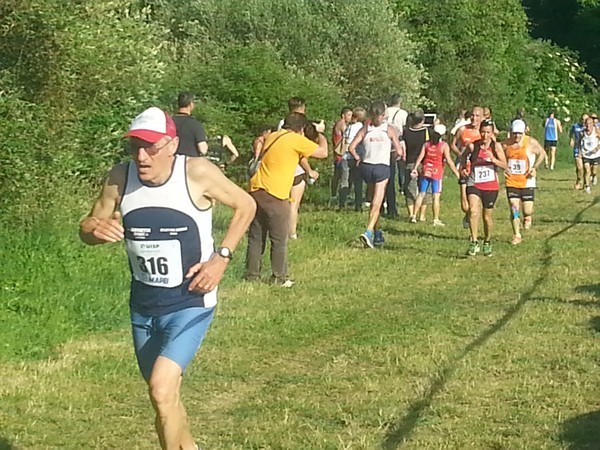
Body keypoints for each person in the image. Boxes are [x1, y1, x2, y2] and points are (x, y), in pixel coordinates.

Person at [79, 106, 256, 450]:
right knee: (164, 397)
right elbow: (87, 227)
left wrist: (221, 258)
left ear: (172, 145)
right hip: (144, 306)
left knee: (161, 389)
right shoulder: (119, 177)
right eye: (134, 147)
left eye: (151, 147)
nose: (142, 156)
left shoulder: (197, 172)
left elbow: (246, 204)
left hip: (191, 300)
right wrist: (93, 229)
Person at [245, 112, 327, 286]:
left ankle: (252, 274)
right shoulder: (295, 139)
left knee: (256, 236)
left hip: (255, 188)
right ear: (301, 129)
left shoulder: (273, 136)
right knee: (279, 238)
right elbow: (323, 152)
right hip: (275, 193)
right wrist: (320, 133)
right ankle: (279, 277)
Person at [348, 101, 403, 248]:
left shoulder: (365, 128)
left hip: (366, 166)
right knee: (377, 202)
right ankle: (368, 232)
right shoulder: (389, 129)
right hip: (382, 167)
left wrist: (358, 158)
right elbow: (399, 151)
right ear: (383, 115)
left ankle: (377, 234)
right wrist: (394, 157)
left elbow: (351, 147)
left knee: (373, 201)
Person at [461, 119, 507, 256]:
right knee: (474, 211)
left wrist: (493, 159)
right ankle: (474, 242)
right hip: (474, 183)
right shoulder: (473, 146)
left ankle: (487, 241)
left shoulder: (496, 147)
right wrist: (463, 168)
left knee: (487, 217)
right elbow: (463, 157)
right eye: (483, 132)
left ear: (492, 133)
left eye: (488, 132)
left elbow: (505, 166)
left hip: (490, 185)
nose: (485, 136)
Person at [502, 119, 547, 245]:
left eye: (519, 133)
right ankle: (517, 234)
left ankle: (527, 216)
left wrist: (534, 168)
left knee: (527, 210)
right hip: (512, 181)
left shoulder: (530, 143)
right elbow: (498, 156)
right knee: (513, 207)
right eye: (514, 133)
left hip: (527, 181)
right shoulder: (506, 144)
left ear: (524, 133)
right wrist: (503, 168)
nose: (517, 136)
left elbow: (542, 153)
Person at [410, 124, 460, 226]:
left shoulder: (426, 144)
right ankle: (435, 219)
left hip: (426, 170)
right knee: (436, 196)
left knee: (421, 193)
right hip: (436, 173)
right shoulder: (443, 145)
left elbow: (420, 157)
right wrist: (457, 173)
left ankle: (414, 216)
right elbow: (449, 161)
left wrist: (415, 168)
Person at [451, 106, 483, 228]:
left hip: (478, 169)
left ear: (482, 117)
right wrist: (460, 155)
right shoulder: (462, 129)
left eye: (477, 116)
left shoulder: (484, 132)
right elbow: (453, 144)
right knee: (465, 205)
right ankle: (468, 214)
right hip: (464, 166)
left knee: (474, 199)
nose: (474, 118)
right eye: (472, 115)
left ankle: (473, 219)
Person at [403, 110, 431, 222]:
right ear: (423, 120)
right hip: (425, 163)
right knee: (424, 189)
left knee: (410, 189)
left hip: (410, 162)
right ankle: (422, 215)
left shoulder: (406, 132)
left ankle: (411, 213)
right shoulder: (427, 131)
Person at [385, 94, 409, 199]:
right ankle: (402, 185)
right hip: (398, 139)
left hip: (386, 137)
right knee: (401, 164)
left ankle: (388, 183)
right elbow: (405, 127)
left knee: (388, 164)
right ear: (400, 102)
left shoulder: (386, 111)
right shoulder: (403, 113)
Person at [344, 107, 367, 211]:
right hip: (356, 156)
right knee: (358, 182)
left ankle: (342, 202)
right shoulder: (361, 128)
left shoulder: (349, 127)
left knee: (345, 181)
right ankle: (358, 205)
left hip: (346, 156)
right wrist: (358, 157)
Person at [172, 92, 208, 157]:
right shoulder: (195, 124)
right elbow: (203, 150)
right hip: (189, 163)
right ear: (191, 105)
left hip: (170, 162)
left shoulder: (168, 122)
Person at [330, 107, 353, 207]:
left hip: (338, 154)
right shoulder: (342, 124)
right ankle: (340, 197)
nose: (350, 117)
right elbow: (347, 136)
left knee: (337, 175)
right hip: (341, 153)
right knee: (342, 176)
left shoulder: (338, 123)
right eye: (348, 115)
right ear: (343, 115)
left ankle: (334, 196)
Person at [580, 116, 600, 194]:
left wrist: (597, 148)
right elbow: (579, 142)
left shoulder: (597, 131)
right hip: (586, 154)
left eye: (590, 124)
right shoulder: (582, 132)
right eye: (587, 124)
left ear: (593, 124)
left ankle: (594, 176)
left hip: (595, 154)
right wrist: (579, 152)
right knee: (587, 170)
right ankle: (587, 187)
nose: (588, 125)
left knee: (594, 170)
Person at [569, 113, 588, 190]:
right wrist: (571, 139)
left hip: (586, 150)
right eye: (582, 119)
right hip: (577, 148)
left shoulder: (589, 127)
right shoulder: (576, 126)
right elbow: (571, 132)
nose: (584, 121)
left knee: (586, 168)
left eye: (585, 120)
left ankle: (585, 183)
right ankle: (578, 180)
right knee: (579, 167)